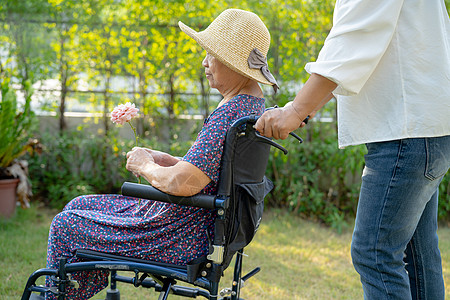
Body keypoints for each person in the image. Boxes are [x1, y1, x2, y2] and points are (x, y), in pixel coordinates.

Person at [43, 9, 278, 300]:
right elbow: (213, 174)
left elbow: (183, 184)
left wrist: (145, 166)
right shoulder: (253, 107)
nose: (204, 62)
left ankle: (59, 296)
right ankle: (72, 293)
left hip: (177, 234)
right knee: (79, 203)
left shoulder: (229, 114)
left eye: (211, 54)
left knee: (65, 225)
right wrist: (165, 159)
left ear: (236, 63)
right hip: (196, 226)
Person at [255, 0, 450, 299]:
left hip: (406, 132)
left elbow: (351, 41)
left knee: (374, 253)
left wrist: (295, 110)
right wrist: (303, 111)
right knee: (418, 258)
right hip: (424, 128)